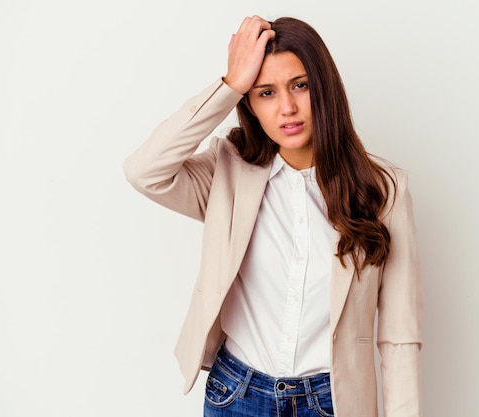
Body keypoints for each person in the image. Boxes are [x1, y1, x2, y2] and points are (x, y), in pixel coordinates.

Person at [124, 15, 422, 417]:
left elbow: (399, 335)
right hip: (237, 395)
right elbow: (145, 171)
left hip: (333, 402)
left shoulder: (384, 189)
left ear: (324, 87)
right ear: (249, 102)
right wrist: (229, 84)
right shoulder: (226, 172)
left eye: (300, 85)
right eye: (265, 92)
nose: (287, 107)